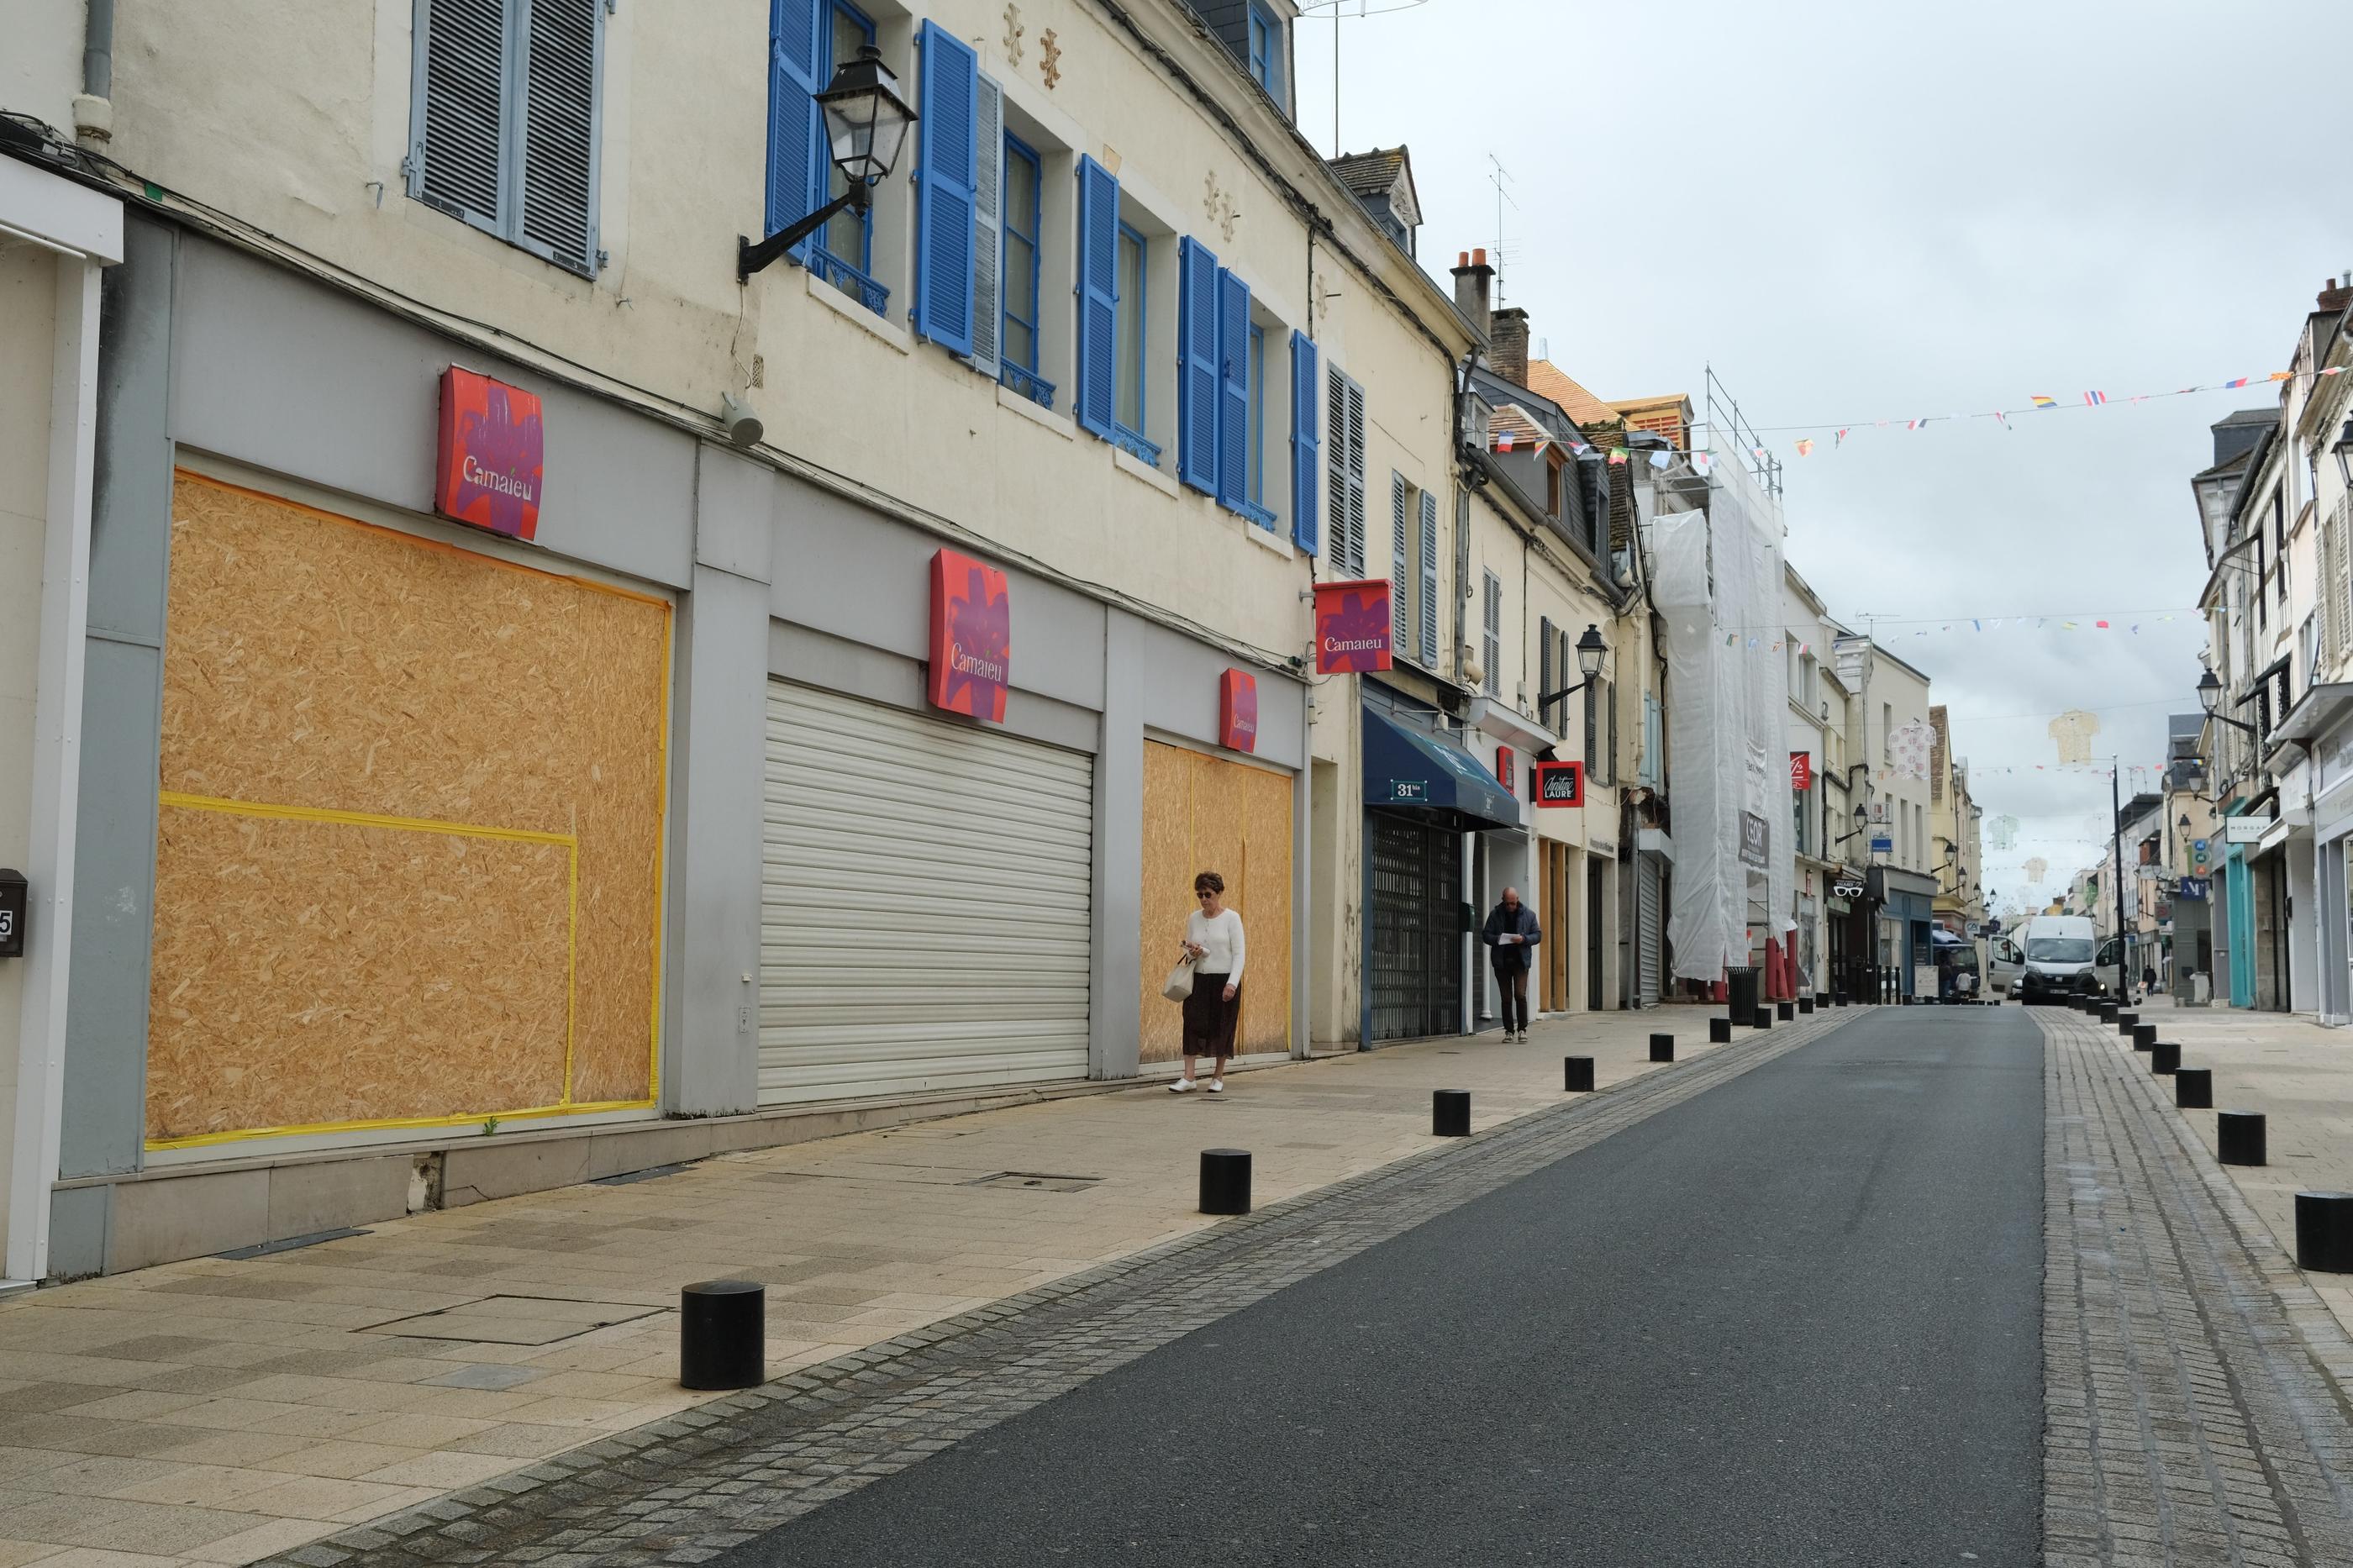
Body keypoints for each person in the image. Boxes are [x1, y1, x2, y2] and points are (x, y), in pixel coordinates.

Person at [1171, 871, 1245, 1094]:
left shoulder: (1232, 918)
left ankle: (1218, 1076)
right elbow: (1193, 955)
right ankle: (1189, 1077)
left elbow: (1239, 954)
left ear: (1219, 893)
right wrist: (1194, 951)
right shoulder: (1194, 918)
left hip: (1224, 979)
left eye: (1208, 894)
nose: (1204, 900)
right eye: (1200, 895)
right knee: (1191, 1024)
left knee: (1223, 1027)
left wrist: (1232, 983)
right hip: (1199, 979)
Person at [1480, 887, 1543, 1042]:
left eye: (1513, 903)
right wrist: (1498, 939)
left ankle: (1522, 1029)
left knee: (1520, 995)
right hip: (1501, 962)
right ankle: (1509, 1031)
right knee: (1506, 998)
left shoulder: (1529, 914)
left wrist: (1524, 939)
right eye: (1507, 904)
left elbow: (1538, 935)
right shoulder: (1495, 915)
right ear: (1503, 900)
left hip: (1521, 962)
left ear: (1518, 900)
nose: (1510, 907)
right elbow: (1486, 935)